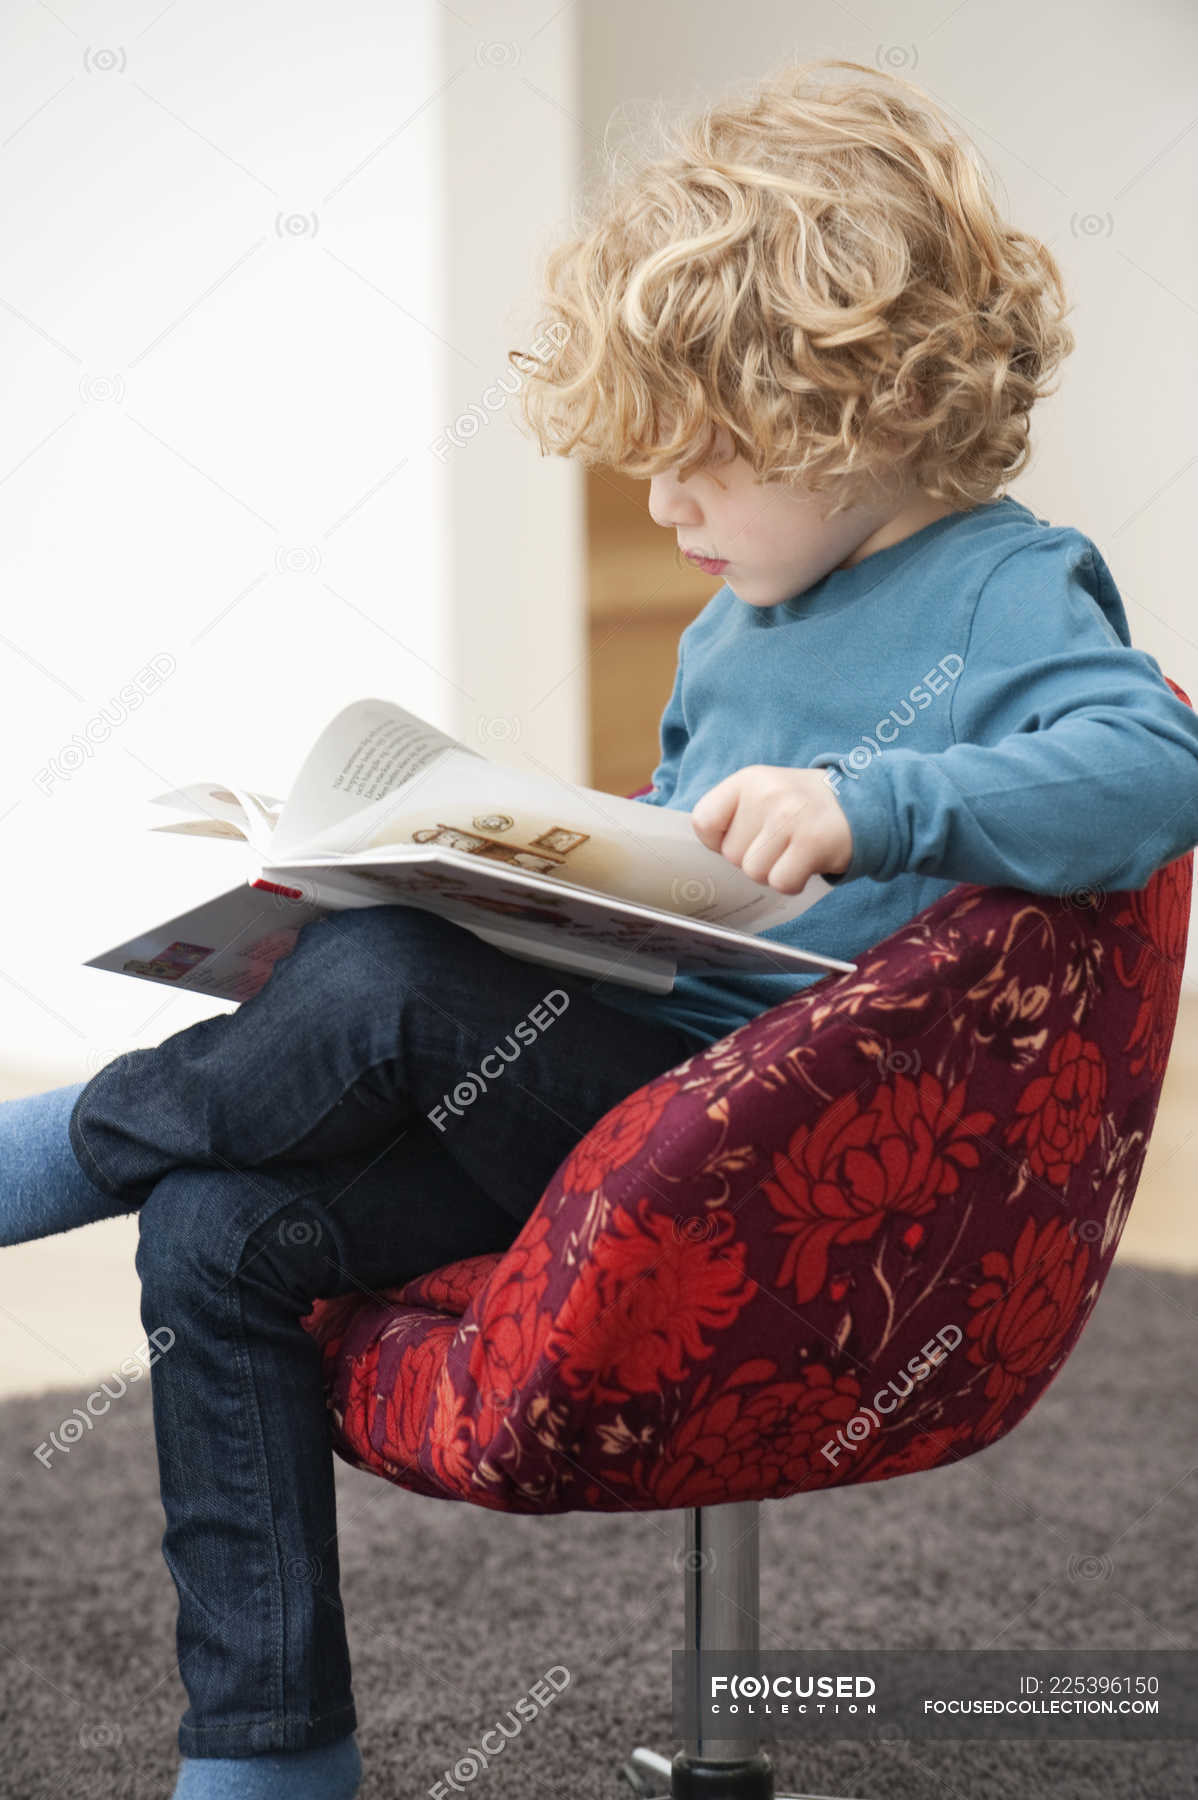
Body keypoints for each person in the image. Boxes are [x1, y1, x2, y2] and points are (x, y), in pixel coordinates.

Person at [4, 55, 1198, 1800]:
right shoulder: (739, 616)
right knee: (215, 1232)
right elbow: (688, 890)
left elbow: (1152, 766)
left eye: (703, 461)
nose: (665, 511)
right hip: (608, 1112)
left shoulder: (1005, 585)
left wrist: (881, 806)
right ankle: (270, 1755)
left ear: (851, 408)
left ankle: (70, 1147)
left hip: (761, 1149)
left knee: (391, 981)